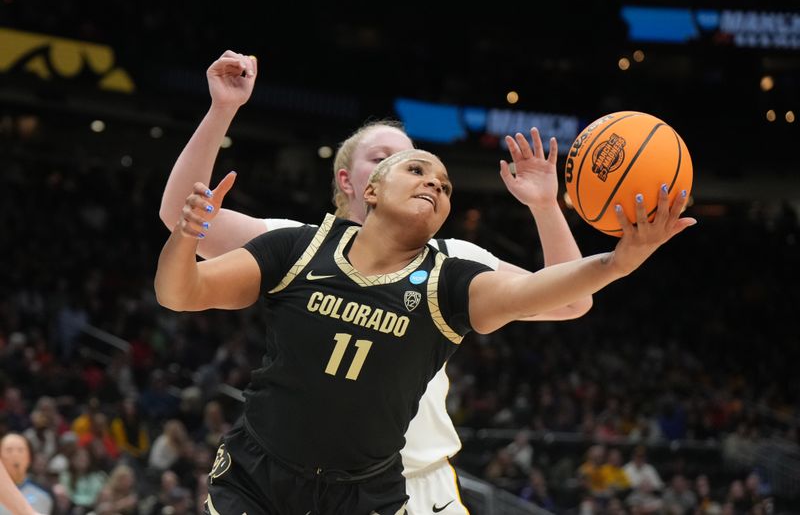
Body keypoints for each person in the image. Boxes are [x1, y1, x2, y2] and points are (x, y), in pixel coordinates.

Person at [159, 50, 594, 514]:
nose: (416, 172)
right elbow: (180, 215)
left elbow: (571, 303)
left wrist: (547, 207)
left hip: (416, 484)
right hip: (292, 475)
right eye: (385, 158)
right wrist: (222, 109)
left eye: (413, 160)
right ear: (351, 181)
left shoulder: (455, 260)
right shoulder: (299, 244)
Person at [155, 146, 695, 514]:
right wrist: (185, 232)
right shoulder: (298, 247)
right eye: (417, 171)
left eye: (444, 185)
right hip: (259, 475)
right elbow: (181, 293)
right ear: (368, 190)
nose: (434, 185)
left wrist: (620, 262)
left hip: (366, 493)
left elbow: (553, 294)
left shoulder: (452, 278)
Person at [0, 433, 51, 515]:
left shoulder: (45, 494)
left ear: (29, 458)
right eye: (9, 450)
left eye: (20, 450)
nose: (15, 455)